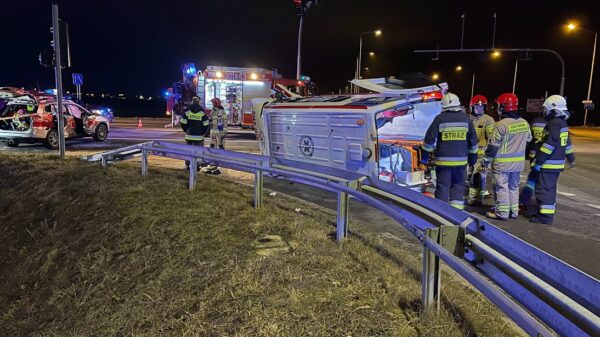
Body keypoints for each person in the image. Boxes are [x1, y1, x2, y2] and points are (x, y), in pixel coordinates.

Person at [421, 92, 479, 210]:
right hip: (461, 163)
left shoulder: (439, 119)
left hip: (443, 163)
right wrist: (473, 159)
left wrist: (424, 158)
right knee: (458, 186)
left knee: (443, 186)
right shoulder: (466, 119)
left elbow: (429, 140)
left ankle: (441, 212)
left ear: (444, 106)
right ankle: (456, 212)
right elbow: (473, 142)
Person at [481, 93, 532, 220]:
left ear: (504, 107)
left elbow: (493, 146)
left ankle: (502, 213)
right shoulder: (524, 123)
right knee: (514, 187)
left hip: (502, 164)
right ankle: (513, 212)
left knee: (502, 187)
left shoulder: (501, 125)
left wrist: (486, 161)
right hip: (518, 163)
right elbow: (529, 139)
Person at [529, 95, 575, 225]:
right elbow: (567, 144)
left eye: (547, 109)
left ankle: (545, 217)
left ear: (553, 109)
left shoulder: (553, 124)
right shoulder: (563, 124)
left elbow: (549, 145)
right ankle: (546, 212)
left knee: (543, 189)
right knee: (550, 188)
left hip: (548, 164)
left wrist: (539, 161)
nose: (545, 112)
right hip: (556, 164)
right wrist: (571, 159)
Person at [467, 94, 496, 204]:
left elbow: (491, 138)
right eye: (477, 106)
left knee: (478, 176)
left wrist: (488, 156)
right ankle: (471, 195)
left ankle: (477, 200)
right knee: (468, 176)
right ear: (472, 107)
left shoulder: (488, 120)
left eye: (482, 107)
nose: (480, 108)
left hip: (480, 155)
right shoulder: (467, 119)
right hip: (467, 154)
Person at [519, 112, 547, 209]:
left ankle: (524, 200)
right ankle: (540, 203)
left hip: (533, 154)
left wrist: (528, 154)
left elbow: (530, 139)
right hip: (543, 157)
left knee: (533, 179)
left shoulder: (535, 121)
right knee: (539, 180)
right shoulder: (552, 123)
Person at [180, 96, 209, 170]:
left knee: (188, 151)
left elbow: (183, 122)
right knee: (199, 151)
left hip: (189, 135)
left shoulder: (187, 112)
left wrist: (186, 130)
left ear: (192, 102)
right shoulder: (202, 113)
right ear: (199, 102)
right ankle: (197, 166)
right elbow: (206, 124)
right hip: (199, 136)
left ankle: (187, 165)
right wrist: (203, 132)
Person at [205, 98, 229, 174]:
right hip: (213, 134)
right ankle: (213, 166)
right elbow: (210, 122)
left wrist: (224, 133)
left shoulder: (222, 112)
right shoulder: (213, 111)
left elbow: (225, 123)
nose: (212, 104)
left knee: (220, 151)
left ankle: (220, 168)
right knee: (212, 150)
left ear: (216, 104)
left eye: (213, 103)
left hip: (219, 134)